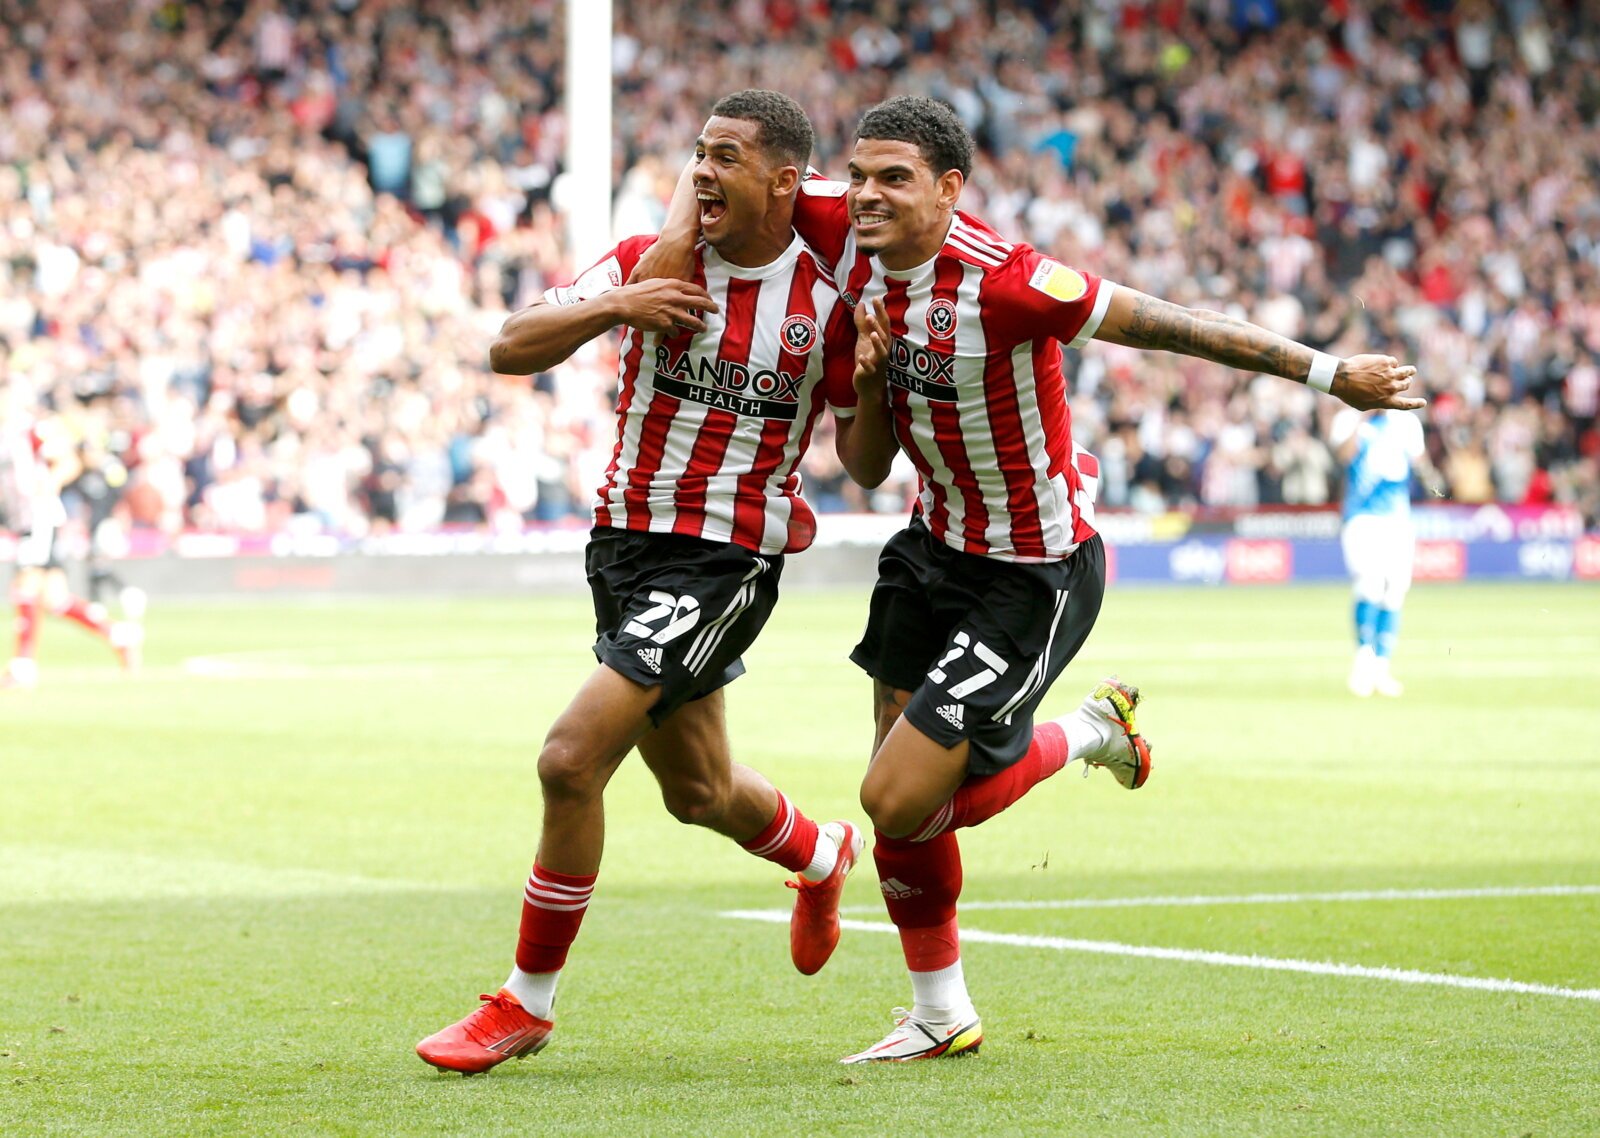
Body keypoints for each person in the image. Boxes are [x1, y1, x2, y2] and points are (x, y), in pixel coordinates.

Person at [639, 94, 1425, 1063]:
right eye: (860, 175)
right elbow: (866, 462)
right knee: (909, 803)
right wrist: (873, 381)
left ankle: (1090, 729)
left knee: (893, 798)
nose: (868, 195)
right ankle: (940, 1012)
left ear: (949, 188)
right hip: (928, 550)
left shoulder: (1009, 281)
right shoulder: (838, 227)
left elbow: (1174, 327)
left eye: (895, 179)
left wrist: (1328, 374)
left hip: (1032, 570)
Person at [415, 91, 899, 1076]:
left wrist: (881, 383)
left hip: (724, 555)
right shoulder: (650, 259)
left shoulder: (824, 297)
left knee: (567, 758)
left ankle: (526, 1002)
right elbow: (509, 344)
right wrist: (616, 307)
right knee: (697, 789)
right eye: (698, 153)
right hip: (623, 544)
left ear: (782, 180)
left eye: (726, 156)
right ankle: (819, 853)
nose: (702, 171)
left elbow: (865, 463)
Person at [2, 405, 143, 690]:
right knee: (56, 599)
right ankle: (118, 635)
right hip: (22, 520)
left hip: (38, 517)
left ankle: (23, 666)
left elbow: (69, 461)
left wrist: (48, 486)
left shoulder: (24, 431)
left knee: (27, 584)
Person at [1330, 406, 1442, 697]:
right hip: (1361, 516)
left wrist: (1430, 477)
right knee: (1369, 585)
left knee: (1395, 590)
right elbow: (1343, 457)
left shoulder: (1407, 423)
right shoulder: (1349, 419)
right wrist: (1363, 419)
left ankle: (1381, 666)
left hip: (1398, 517)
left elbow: (1420, 465)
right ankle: (1363, 659)